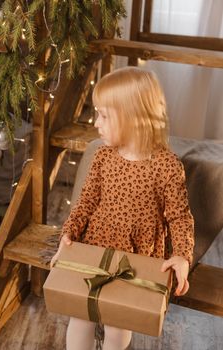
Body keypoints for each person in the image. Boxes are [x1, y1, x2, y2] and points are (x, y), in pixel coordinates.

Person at [50, 67, 195, 350]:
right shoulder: (103, 157)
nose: (96, 122)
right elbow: (86, 202)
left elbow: (179, 218)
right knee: (81, 318)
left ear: (133, 118)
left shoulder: (166, 165)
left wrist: (182, 256)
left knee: (118, 325)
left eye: (104, 115)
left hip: (136, 259)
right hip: (97, 249)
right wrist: (69, 234)